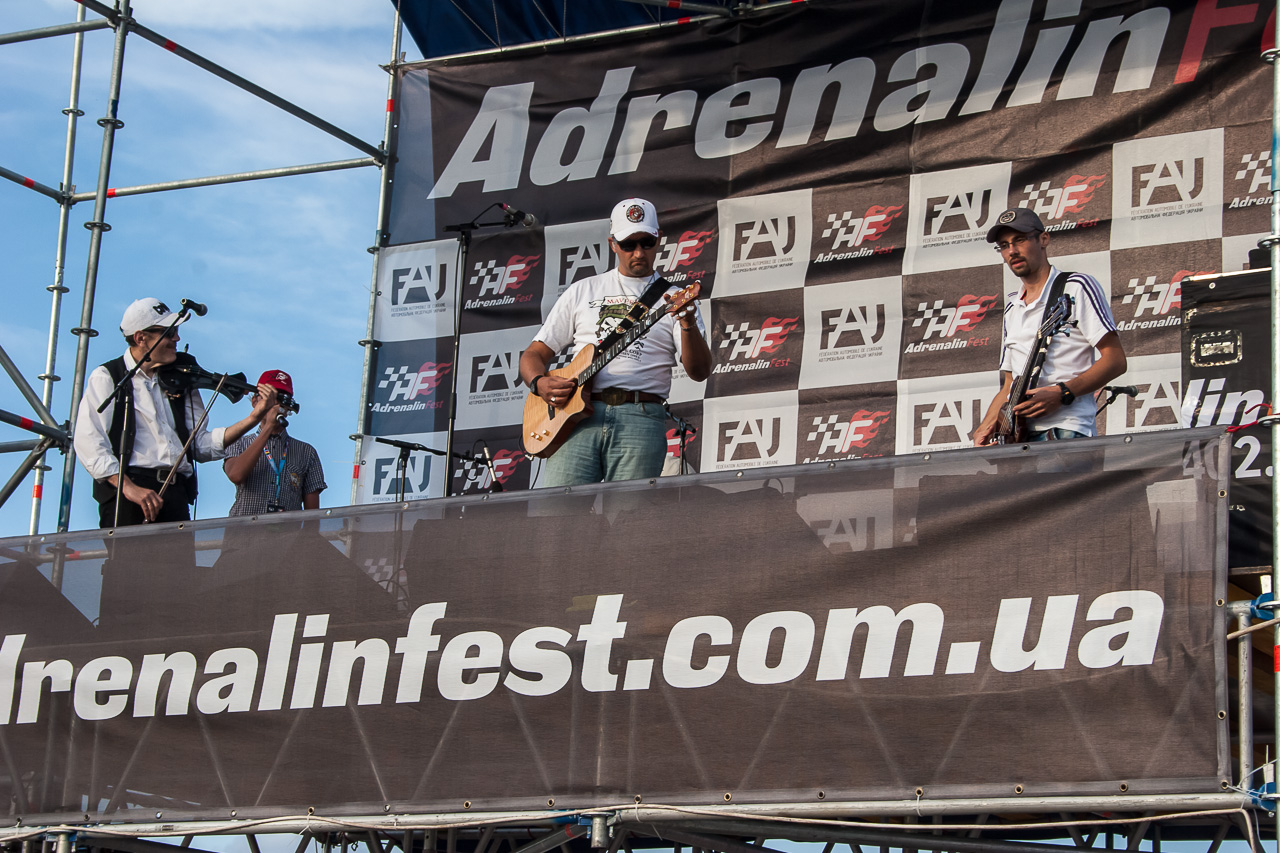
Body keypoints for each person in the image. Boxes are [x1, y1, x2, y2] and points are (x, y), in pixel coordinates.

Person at [519, 198, 712, 486]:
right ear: (613, 244)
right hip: (576, 418)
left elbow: (699, 371)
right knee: (558, 510)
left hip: (640, 416)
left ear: (658, 239)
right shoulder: (583, 290)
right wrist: (539, 383)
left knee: (628, 512)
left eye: (646, 242)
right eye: (628, 244)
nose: (638, 252)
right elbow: (533, 354)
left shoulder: (674, 298)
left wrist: (687, 322)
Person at [74, 297, 278, 527]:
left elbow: (199, 445)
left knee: (179, 553)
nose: (177, 339)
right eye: (169, 333)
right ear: (141, 338)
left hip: (176, 493)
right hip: (129, 493)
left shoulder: (181, 380)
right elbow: (89, 442)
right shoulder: (108, 376)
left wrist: (253, 419)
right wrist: (128, 487)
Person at [972, 208, 1127, 445]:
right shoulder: (1012, 307)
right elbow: (1010, 384)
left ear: (1043, 239)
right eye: (1004, 245)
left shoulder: (1076, 287)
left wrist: (1063, 392)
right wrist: (985, 427)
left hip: (1066, 430)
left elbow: (1115, 360)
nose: (1012, 251)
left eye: (1020, 240)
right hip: (1018, 438)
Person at [223, 370, 326, 516]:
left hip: (287, 530)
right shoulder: (238, 442)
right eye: (269, 397)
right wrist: (268, 427)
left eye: (281, 398)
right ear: (254, 401)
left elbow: (313, 515)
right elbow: (236, 475)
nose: (275, 403)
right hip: (244, 529)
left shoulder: (306, 452)